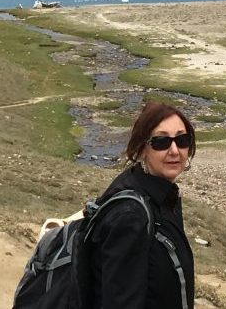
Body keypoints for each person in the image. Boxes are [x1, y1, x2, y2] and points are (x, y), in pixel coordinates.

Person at [83, 102, 196, 309]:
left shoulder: (160, 195)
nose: (174, 150)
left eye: (182, 140)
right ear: (142, 148)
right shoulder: (130, 216)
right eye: (161, 141)